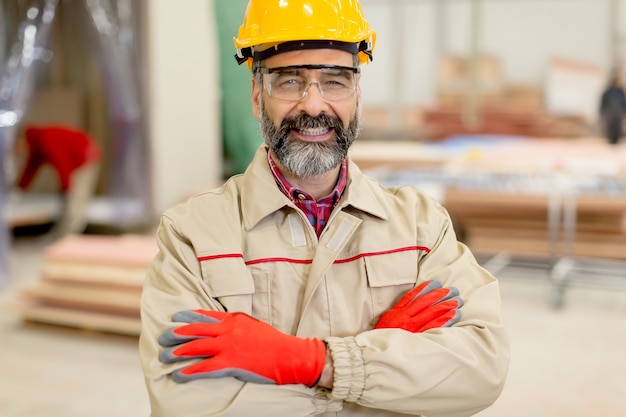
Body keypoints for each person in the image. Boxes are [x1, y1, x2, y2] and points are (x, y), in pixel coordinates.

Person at [139, 1, 510, 416]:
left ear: (358, 95)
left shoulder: (422, 227)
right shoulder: (192, 234)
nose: (313, 106)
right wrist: (372, 365)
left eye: (334, 81)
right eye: (289, 81)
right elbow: (188, 404)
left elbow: (481, 370)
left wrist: (313, 360)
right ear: (258, 97)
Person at [599, 71, 626, 145]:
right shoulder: (607, 92)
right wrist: (601, 113)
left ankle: (616, 140)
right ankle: (611, 141)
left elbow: (624, 103)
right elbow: (603, 103)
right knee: (610, 128)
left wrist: (624, 112)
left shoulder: (620, 92)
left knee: (618, 128)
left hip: (618, 113)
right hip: (610, 114)